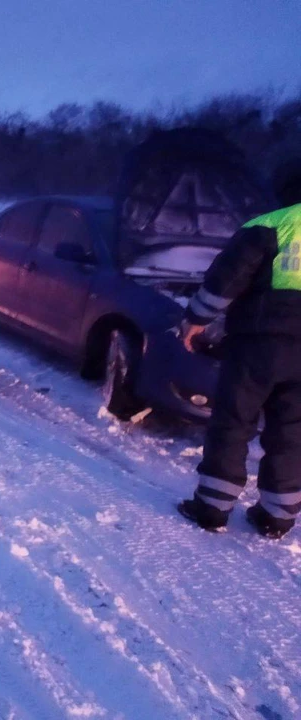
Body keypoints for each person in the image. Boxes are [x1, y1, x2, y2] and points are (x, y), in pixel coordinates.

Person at [178, 159, 301, 538]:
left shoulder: (269, 225)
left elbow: (225, 282)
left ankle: (212, 508)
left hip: (259, 343)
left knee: (234, 420)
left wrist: (195, 320)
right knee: (293, 430)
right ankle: (277, 516)